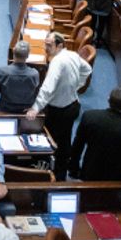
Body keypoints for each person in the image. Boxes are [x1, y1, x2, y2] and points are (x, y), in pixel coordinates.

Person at [26, 32, 92, 180]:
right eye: (45, 44)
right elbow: (87, 69)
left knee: (51, 141)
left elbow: (47, 88)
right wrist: (77, 86)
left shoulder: (57, 62)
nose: (45, 48)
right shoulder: (73, 55)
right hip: (73, 106)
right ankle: (61, 173)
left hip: (59, 111)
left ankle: (51, 173)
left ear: (60, 45)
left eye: (49, 45)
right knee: (65, 139)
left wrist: (35, 108)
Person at [69, 87, 121, 181]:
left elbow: (77, 146)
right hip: (117, 178)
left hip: (91, 171)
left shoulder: (90, 117)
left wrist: (73, 169)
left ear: (108, 99)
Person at [0, 41, 39, 114]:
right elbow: (36, 90)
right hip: (26, 109)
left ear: (13, 52)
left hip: (6, 107)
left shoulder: (2, 71)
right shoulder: (34, 73)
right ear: (28, 56)